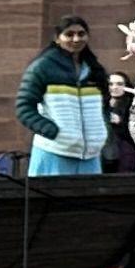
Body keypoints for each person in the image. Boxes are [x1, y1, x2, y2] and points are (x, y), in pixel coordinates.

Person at [17, 18, 110, 177]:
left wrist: (101, 131)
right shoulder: (42, 67)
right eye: (69, 34)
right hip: (54, 152)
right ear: (57, 38)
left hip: (90, 156)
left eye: (81, 34)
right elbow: (24, 108)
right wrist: (52, 131)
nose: (76, 39)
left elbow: (105, 105)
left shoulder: (95, 69)